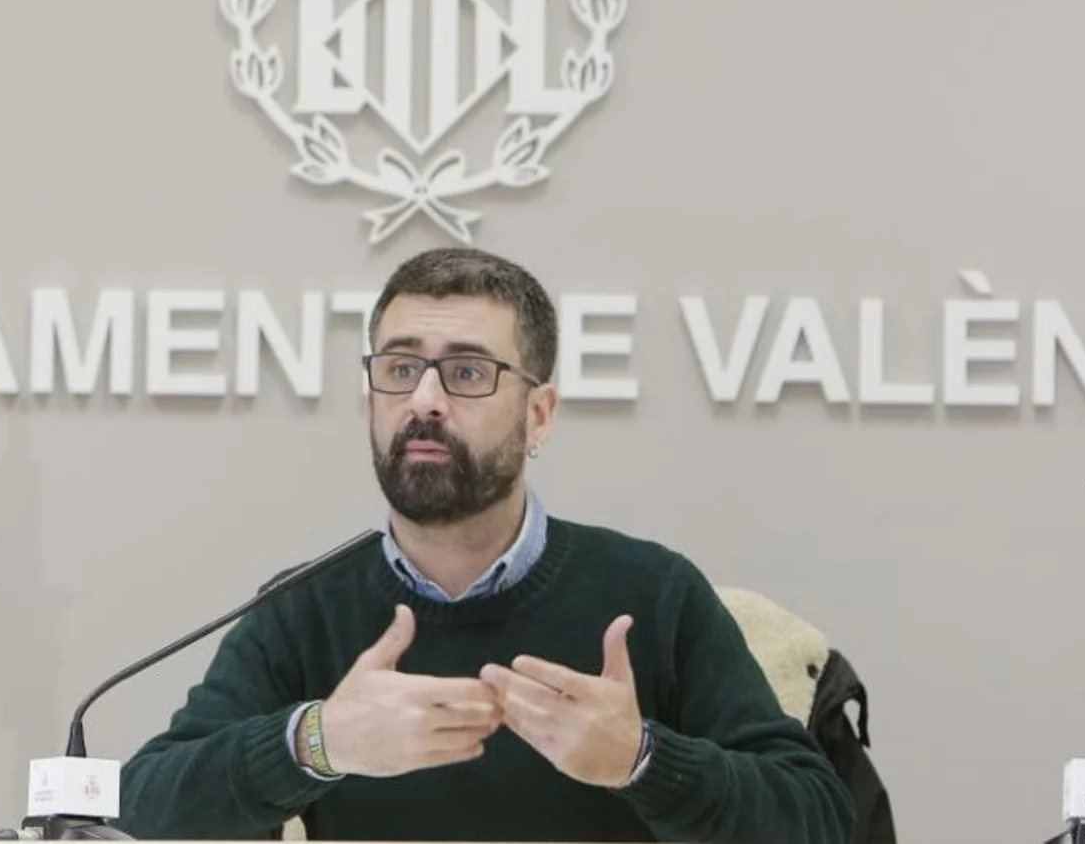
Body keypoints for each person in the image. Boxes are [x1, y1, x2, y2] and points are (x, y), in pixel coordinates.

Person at [115, 247, 855, 842]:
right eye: (401, 369)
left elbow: (818, 816)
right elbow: (147, 805)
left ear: (540, 414)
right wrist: (319, 738)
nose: (426, 399)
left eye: (468, 372)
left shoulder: (650, 592)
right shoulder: (305, 603)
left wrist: (642, 759)